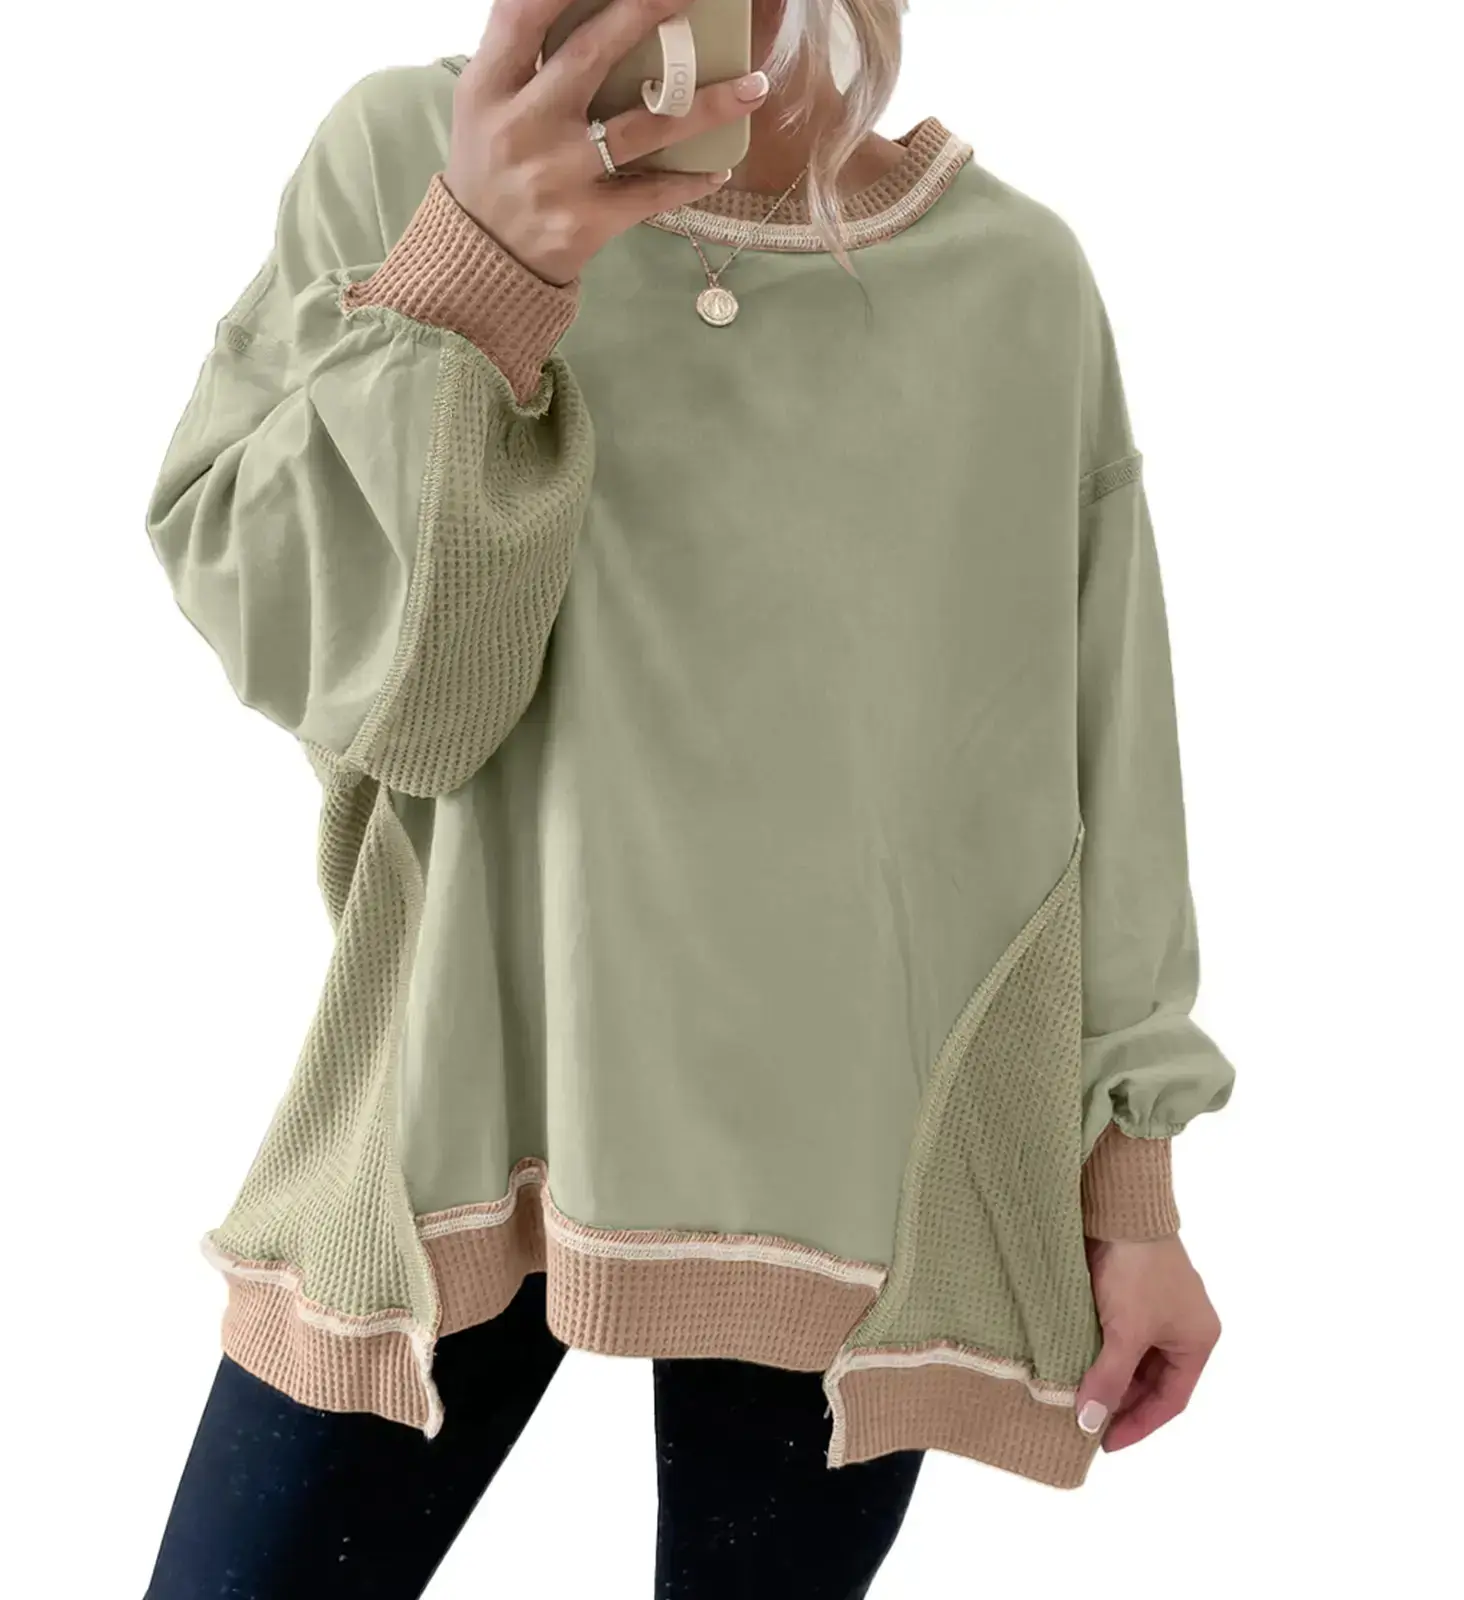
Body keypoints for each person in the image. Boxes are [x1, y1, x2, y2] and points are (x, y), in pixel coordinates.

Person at [140, 2, 1236, 1595]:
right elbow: (376, 689)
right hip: (461, 1108)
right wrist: (477, 273)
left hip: (853, 1165)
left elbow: (1107, 757)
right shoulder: (407, 160)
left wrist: (1134, 1187)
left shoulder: (1013, 288)